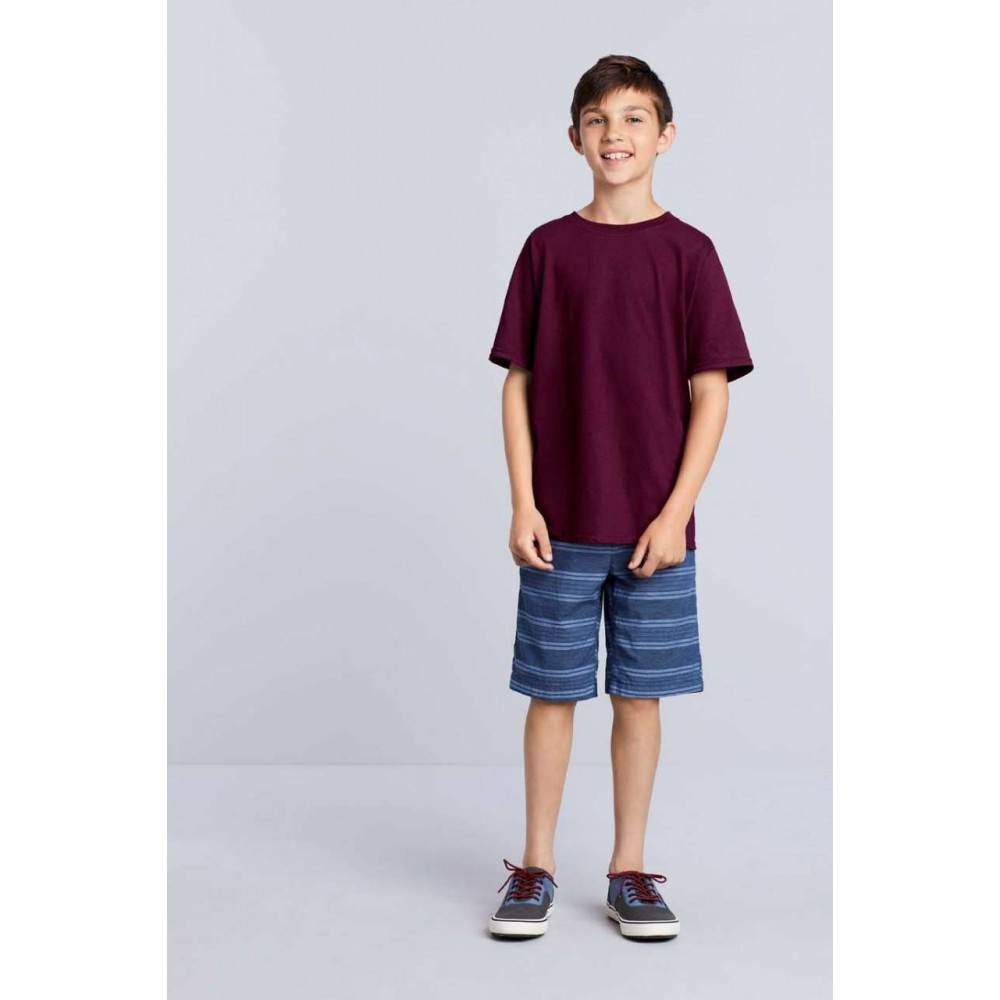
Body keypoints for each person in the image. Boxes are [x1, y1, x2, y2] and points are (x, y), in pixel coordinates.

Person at [484, 55, 755, 942]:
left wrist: (676, 513)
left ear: (665, 136)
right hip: (559, 523)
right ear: (575, 137)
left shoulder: (690, 254)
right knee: (551, 694)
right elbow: (518, 382)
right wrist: (523, 502)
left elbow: (711, 393)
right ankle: (535, 866)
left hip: (654, 530)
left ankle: (629, 869)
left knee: (640, 698)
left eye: (634, 118)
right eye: (599, 119)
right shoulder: (548, 249)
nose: (616, 135)